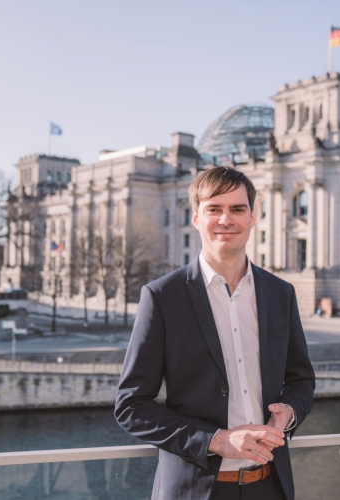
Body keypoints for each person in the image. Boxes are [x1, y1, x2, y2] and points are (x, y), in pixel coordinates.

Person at [115, 166, 316, 500]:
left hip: (270, 486)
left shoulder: (281, 293)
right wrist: (216, 440)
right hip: (194, 490)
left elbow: (301, 380)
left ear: (253, 218)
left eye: (238, 209)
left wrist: (289, 414)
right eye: (214, 209)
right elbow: (131, 406)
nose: (227, 219)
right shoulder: (163, 297)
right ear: (196, 218)